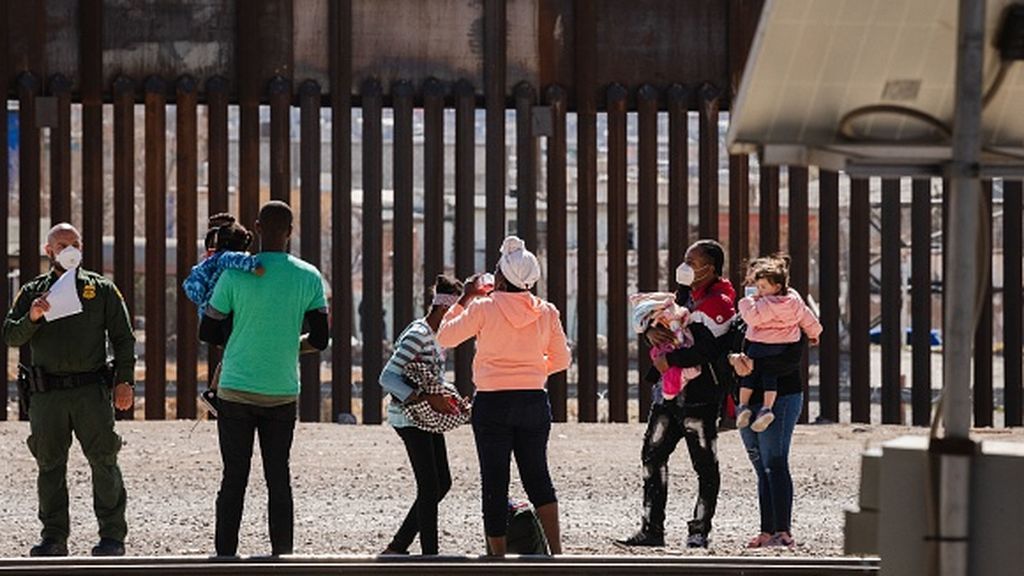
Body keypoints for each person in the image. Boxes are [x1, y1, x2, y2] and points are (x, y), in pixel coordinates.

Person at [199, 201, 329, 557]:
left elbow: (207, 330)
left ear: (256, 227)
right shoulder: (309, 276)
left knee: (234, 476)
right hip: (281, 392)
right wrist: (288, 344)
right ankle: (282, 555)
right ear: (291, 231)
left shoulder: (234, 273)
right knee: (278, 476)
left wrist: (245, 337)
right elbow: (320, 340)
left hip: (236, 390)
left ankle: (226, 554)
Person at [4, 223, 136, 557]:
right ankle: (53, 537)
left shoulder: (101, 289)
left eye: (75, 242)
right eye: (62, 244)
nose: (69, 249)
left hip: (90, 391)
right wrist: (33, 317)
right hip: (47, 395)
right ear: (49, 251)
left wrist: (124, 381)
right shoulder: (34, 292)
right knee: (50, 465)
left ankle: (112, 537)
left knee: (104, 461)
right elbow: (11, 335)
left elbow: (123, 338)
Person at [436, 236, 571, 557]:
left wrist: (465, 298)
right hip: (534, 401)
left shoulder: (484, 307)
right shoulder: (547, 311)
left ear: (499, 277)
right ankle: (557, 552)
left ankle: (497, 557)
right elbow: (563, 360)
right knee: (538, 476)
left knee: (494, 481)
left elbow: (444, 335)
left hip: (492, 402)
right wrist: (533, 371)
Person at [617, 239, 735, 550]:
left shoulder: (720, 303)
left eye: (691, 262)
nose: (684, 266)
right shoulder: (685, 295)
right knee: (652, 457)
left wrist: (671, 360)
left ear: (709, 268)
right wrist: (649, 333)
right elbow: (662, 329)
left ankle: (699, 531)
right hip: (667, 397)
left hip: (701, 398)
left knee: (705, 466)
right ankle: (651, 529)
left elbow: (708, 349)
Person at [378, 275, 467, 556]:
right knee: (430, 486)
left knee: (442, 482)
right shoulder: (418, 335)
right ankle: (430, 556)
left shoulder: (435, 334)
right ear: (443, 309)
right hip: (409, 417)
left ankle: (398, 546)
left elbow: (432, 377)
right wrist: (430, 398)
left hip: (424, 416)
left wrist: (449, 398)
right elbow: (387, 378)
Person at [728, 330, 806, 549]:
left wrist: (754, 366)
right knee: (761, 467)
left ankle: (783, 533)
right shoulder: (743, 320)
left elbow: (790, 361)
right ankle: (767, 531)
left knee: (775, 463)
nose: (760, 294)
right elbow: (726, 348)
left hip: (781, 397)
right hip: (746, 401)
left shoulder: (790, 317)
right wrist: (733, 359)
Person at [183, 213, 263, 415]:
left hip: (209, 312)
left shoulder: (210, 261)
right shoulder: (228, 258)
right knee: (232, 351)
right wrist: (258, 268)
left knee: (229, 352)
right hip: (223, 313)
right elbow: (246, 262)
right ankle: (217, 392)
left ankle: (213, 392)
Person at [735, 255, 822, 432]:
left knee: (749, 376)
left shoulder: (764, 304)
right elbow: (807, 318)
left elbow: (751, 318)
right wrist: (814, 333)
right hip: (782, 346)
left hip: (760, 344)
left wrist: (746, 301)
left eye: (762, 287)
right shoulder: (795, 301)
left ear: (776, 287)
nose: (759, 290)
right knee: (770, 377)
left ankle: (743, 406)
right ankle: (767, 408)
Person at [629, 292, 700, 400]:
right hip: (668, 365)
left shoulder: (705, 298)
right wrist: (649, 331)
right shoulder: (681, 294)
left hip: (695, 375)